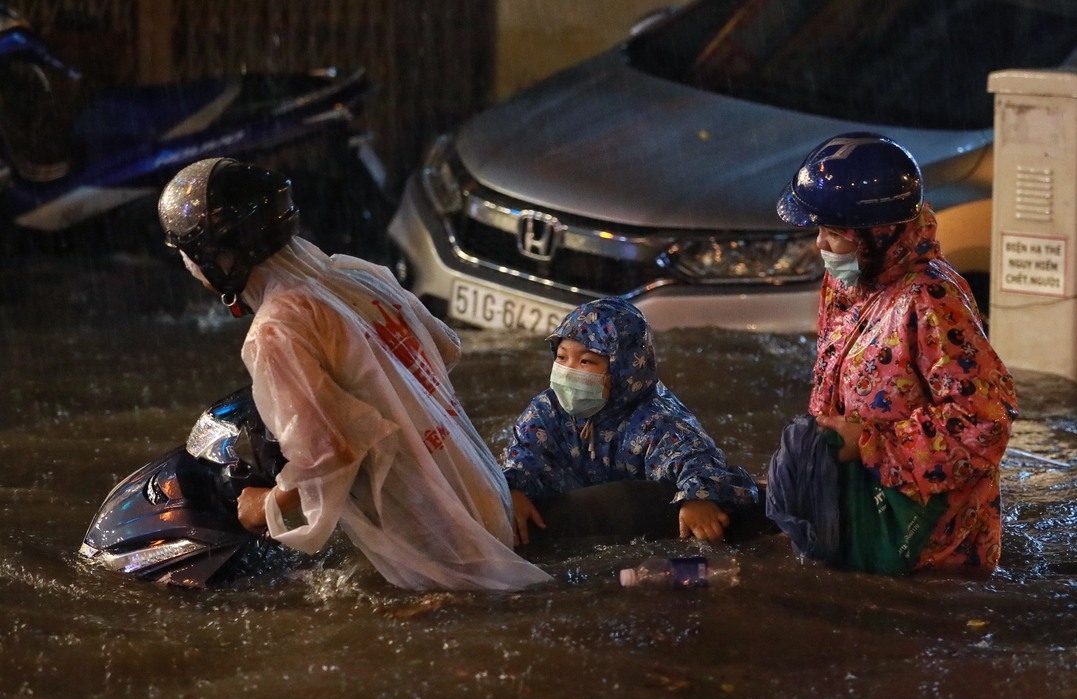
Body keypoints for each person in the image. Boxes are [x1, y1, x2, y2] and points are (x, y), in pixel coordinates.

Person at [157, 157, 551, 591]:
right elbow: (445, 347)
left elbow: (329, 455)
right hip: (481, 488)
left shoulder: (277, 329)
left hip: (441, 535)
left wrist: (265, 506)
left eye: (190, 257)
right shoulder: (353, 273)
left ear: (218, 259)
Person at [774, 132, 1017, 575]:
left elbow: (985, 423)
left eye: (833, 234)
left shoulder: (931, 301)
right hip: (864, 518)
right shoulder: (848, 285)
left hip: (930, 549)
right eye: (820, 232)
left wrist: (871, 445)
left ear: (878, 235)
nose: (821, 246)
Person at [502, 296, 761, 545]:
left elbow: (694, 455)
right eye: (561, 357)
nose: (569, 371)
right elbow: (524, 453)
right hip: (582, 516)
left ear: (623, 368)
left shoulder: (656, 419)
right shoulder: (547, 410)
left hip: (632, 522)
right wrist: (513, 490)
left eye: (586, 361)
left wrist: (696, 498)